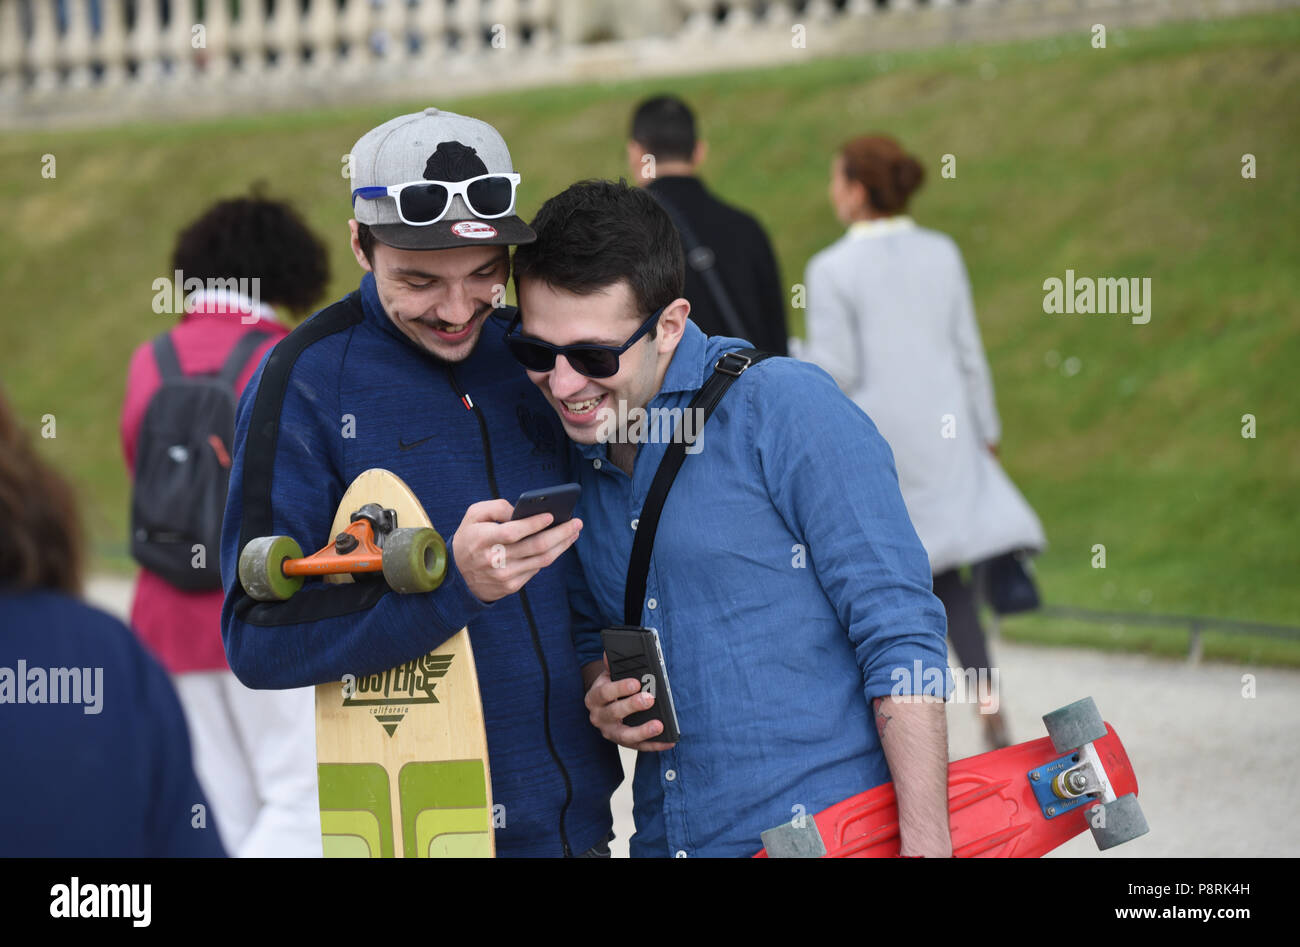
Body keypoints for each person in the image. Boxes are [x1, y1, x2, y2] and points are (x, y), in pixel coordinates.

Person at [219, 108, 623, 858]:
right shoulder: (303, 380)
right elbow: (255, 636)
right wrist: (449, 587)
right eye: (419, 280)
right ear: (359, 246)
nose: (457, 309)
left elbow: (574, 569)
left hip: (578, 826)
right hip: (419, 833)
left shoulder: (529, 356)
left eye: (482, 276)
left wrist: (606, 673)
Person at [510, 179, 953, 858]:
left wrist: (927, 845)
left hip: (832, 839)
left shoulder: (785, 408)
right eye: (538, 353)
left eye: (594, 356)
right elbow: (582, 637)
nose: (564, 384)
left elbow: (899, 631)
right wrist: (600, 688)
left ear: (669, 323)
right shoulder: (571, 457)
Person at [797, 134, 1046, 749]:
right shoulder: (942, 251)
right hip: (947, 436)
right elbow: (968, 352)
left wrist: (788, 357)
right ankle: (987, 701)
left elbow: (838, 371)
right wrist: (987, 432)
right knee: (951, 583)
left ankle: (899, 732)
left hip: (881, 446)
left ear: (856, 191)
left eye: (837, 180)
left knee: (888, 588)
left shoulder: (831, 269)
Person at [121, 192, 329, 856]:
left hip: (164, 619)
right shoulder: (287, 357)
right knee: (305, 801)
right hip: (265, 614)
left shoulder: (150, 359)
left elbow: (138, 465)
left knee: (221, 813)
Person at [0, 385, 225, 857]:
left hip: (169, 620)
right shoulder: (105, 655)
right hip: (224, 633)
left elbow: (135, 454)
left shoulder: (153, 362)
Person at [627, 94, 788, 355]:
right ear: (699, 151)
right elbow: (776, 339)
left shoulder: (626, 232)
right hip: (745, 389)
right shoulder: (748, 229)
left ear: (636, 153)